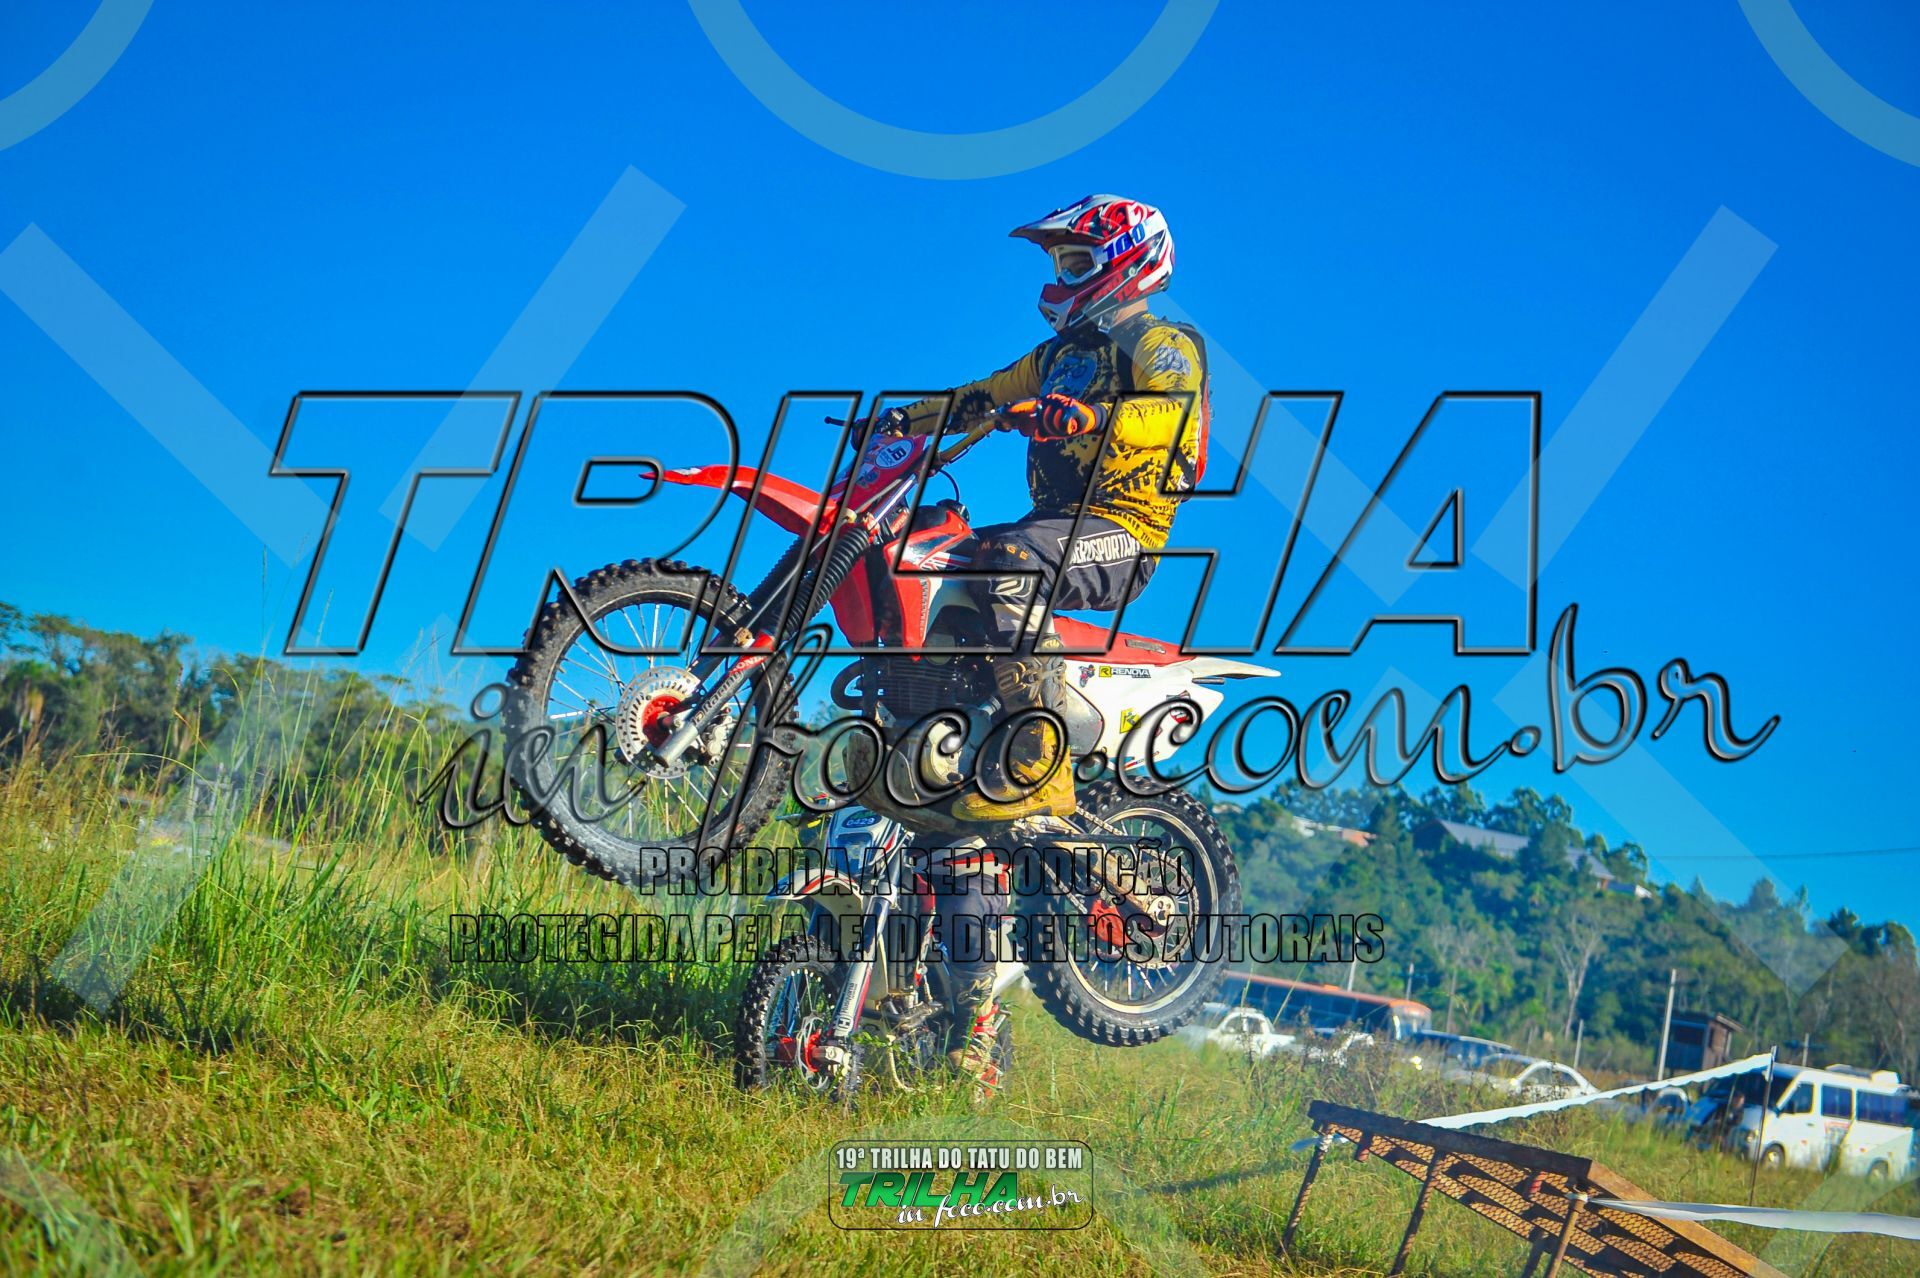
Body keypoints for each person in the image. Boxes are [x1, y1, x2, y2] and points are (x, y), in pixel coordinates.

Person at [877, 194, 1211, 1092]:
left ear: (1126, 260)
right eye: (1058, 263)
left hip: (1119, 531)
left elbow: (1172, 418)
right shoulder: (1057, 355)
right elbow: (982, 397)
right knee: (942, 579)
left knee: (1004, 561)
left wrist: (1089, 419)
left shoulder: (1159, 343)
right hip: (1048, 529)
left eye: (1075, 262)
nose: (1061, 277)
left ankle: (1044, 759)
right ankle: (966, 1017)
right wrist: (907, 421)